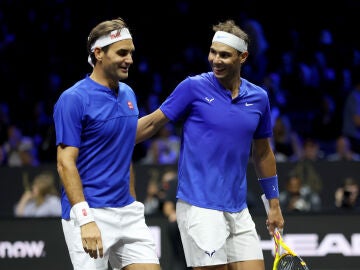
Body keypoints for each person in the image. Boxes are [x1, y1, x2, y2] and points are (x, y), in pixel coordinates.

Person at [136, 19, 284, 270]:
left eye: (225, 55)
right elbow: (152, 123)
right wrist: (108, 139)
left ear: (243, 57)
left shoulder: (259, 98)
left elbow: (263, 153)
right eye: (213, 52)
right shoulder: (192, 87)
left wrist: (274, 204)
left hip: (238, 209)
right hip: (198, 206)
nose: (216, 60)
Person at [53, 17, 160, 270]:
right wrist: (85, 219)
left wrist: (133, 201)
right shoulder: (73, 99)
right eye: (122, 53)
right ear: (98, 53)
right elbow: (65, 163)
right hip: (91, 213)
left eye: (131, 53)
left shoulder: (129, 93)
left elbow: (124, 149)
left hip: (128, 213)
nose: (130, 60)